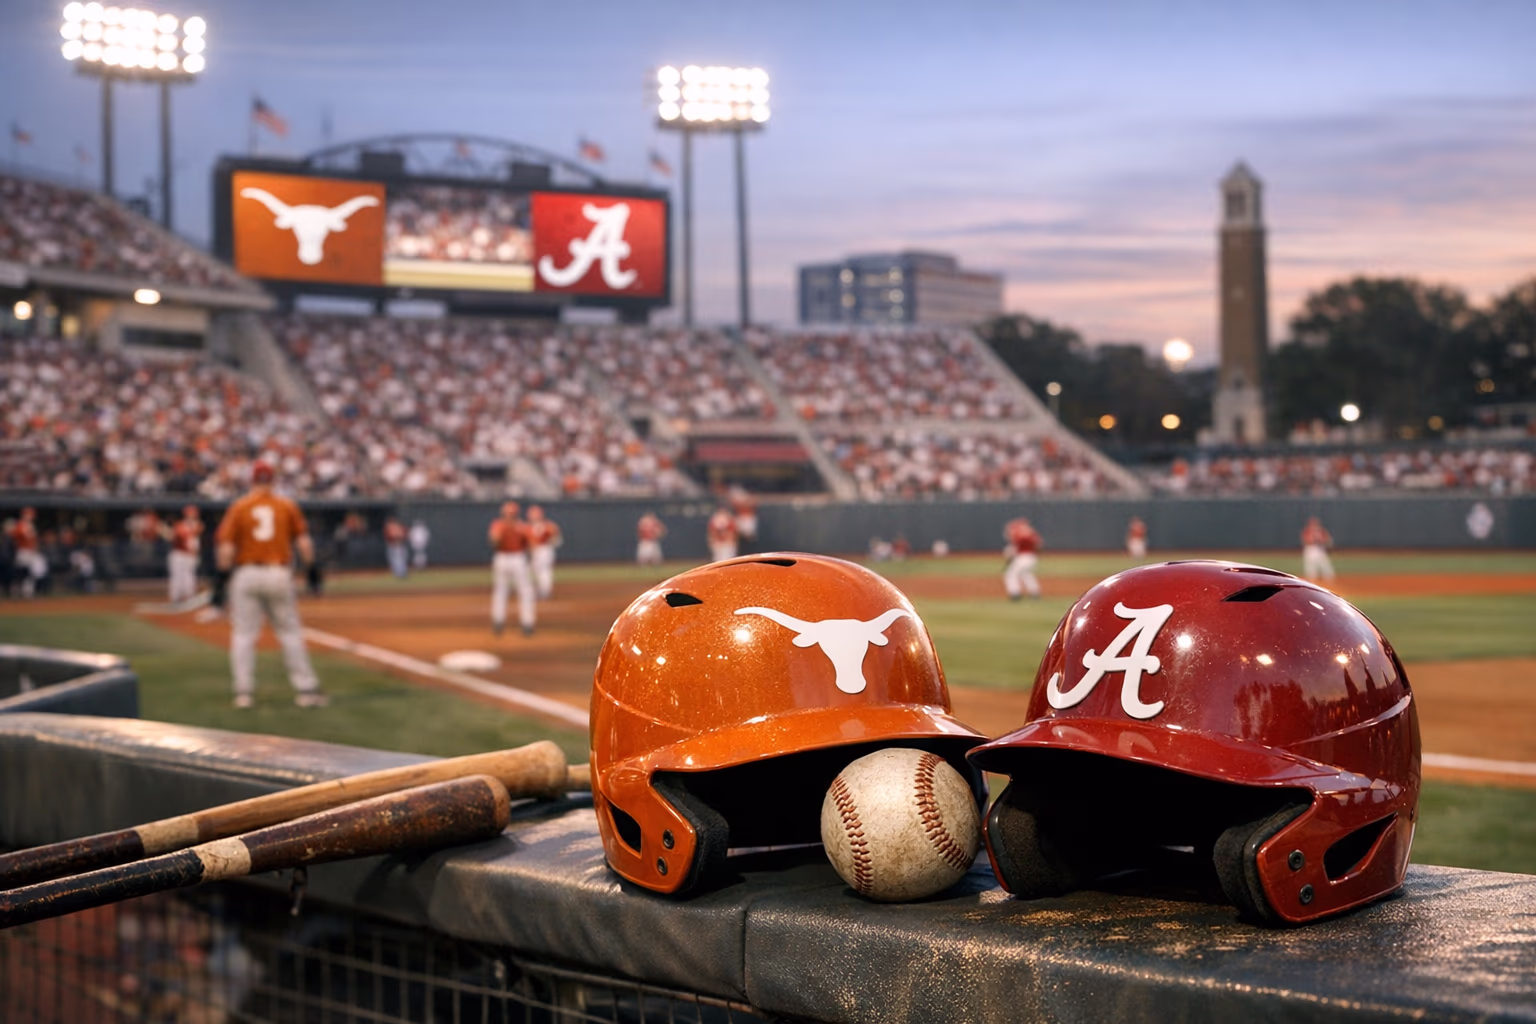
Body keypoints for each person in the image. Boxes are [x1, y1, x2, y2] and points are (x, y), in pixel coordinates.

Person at [214, 461, 326, 709]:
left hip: (247, 572)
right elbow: (304, 543)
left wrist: (220, 581)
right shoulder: (286, 505)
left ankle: (243, 693)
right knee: (290, 633)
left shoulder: (240, 507)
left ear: (252, 480)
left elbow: (226, 548)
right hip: (278, 572)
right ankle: (306, 689)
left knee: (243, 635)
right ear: (273, 480)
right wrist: (312, 571)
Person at [489, 502, 536, 637]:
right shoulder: (522, 526)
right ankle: (527, 624)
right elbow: (531, 546)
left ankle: (499, 622)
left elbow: (494, 541)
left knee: (501, 591)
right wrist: (529, 561)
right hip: (516, 558)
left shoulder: (498, 525)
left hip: (503, 558)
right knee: (524, 591)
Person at [167, 505, 203, 603]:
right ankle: (175, 598)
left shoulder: (198, 525)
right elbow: (175, 537)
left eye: (193, 515)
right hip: (178, 554)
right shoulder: (179, 525)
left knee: (189, 576)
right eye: (189, 514)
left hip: (190, 555)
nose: (191, 516)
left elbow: (193, 534)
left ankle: (190, 597)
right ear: (185, 515)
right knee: (177, 576)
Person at [8, 507, 45, 600]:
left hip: (31, 552)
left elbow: (34, 540)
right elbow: (15, 535)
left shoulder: (30, 525)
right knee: (22, 573)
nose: (30, 516)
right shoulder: (20, 525)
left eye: (31, 515)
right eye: (28, 514)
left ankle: (28, 592)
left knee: (35, 571)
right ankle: (16, 591)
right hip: (23, 551)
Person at [526, 505, 562, 600]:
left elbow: (556, 540)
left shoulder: (532, 527)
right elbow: (557, 541)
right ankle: (543, 590)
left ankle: (543, 591)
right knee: (543, 571)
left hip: (541, 550)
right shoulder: (549, 525)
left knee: (540, 571)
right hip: (546, 550)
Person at [1003, 516, 1043, 601]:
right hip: (1032, 557)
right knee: (1026, 574)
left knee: (1011, 574)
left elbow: (1013, 549)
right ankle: (1034, 593)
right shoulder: (1032, 534)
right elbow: (1039, 545)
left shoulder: (1018, 535)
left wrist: (1009, 559)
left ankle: (1015, 594)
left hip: (1022, 557)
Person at [1301, 516, 1336, 582]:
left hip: (1320, 549)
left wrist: (1321, 540)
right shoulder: (1308, 531)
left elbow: (1327, 540)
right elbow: (1306, 540)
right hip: (1310, 549)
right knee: (1310, 567)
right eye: (1312, 523)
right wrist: (1314, 539)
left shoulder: (1321, 530)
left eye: (1315, 523)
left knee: (1325, 565)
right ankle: (1311, 581)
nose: (1314, 525)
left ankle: (1330, 581)